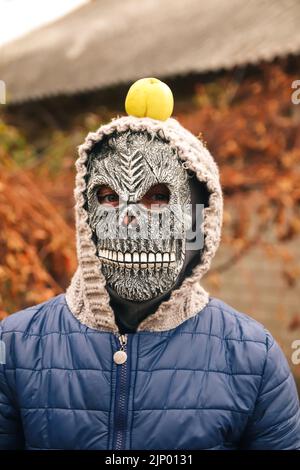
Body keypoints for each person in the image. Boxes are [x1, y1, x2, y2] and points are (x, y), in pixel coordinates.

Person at [0, 80, 300, 450]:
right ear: (86, 216)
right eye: (109, 197)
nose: (129, 218)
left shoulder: (253, 358)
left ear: (198, 221)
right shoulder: (14, 347)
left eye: (158, 197)